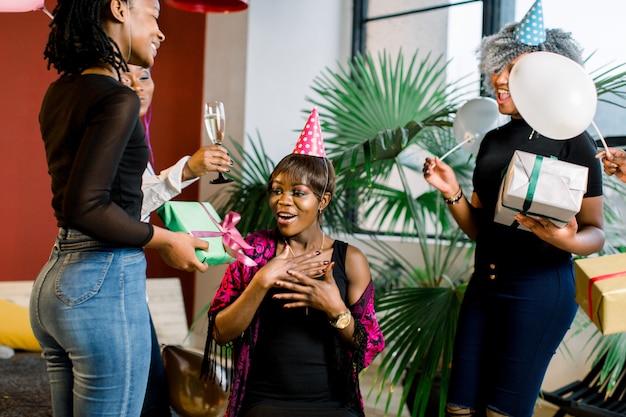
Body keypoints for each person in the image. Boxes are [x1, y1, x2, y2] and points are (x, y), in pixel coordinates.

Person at [422, 2, 605, 416]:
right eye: (495, 67)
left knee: (501, 412)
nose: (497, 78)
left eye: (511, 68)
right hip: (483, 286)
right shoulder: (492, 141)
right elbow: (481, 229)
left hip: (539, 291)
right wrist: (452, 192)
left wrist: (567, 239)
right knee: (459, 409)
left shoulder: (574, 140)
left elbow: (597, 232)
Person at [29, 1, 211, 416]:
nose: (161, 32)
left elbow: (80, 201)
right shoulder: (118, 98)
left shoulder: (60, 91)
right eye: (154, 15)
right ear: (119, 8)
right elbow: (86, 206)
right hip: (102, 282)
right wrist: (167, 240)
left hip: (54, 283)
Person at [200, 108, 385, 417]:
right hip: (264, 402)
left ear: (322, 201)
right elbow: (220, 333)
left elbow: (369, 347)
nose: (283, 201)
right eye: (277, 191)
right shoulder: (255, 250)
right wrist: (261, 281)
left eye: (298, 192)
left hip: (334, 404)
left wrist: (336, 309)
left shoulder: (350, 260)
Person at [120, 64, 232, 417]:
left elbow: (136, 199)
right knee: (149, 396)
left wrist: (189, 171)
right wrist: (186, 171)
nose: (138, 86)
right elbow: (125, 210)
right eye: (125, 78)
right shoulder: (114, 135)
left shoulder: (131, 133)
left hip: (124, 280)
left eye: (144, 77)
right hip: (110, 283)